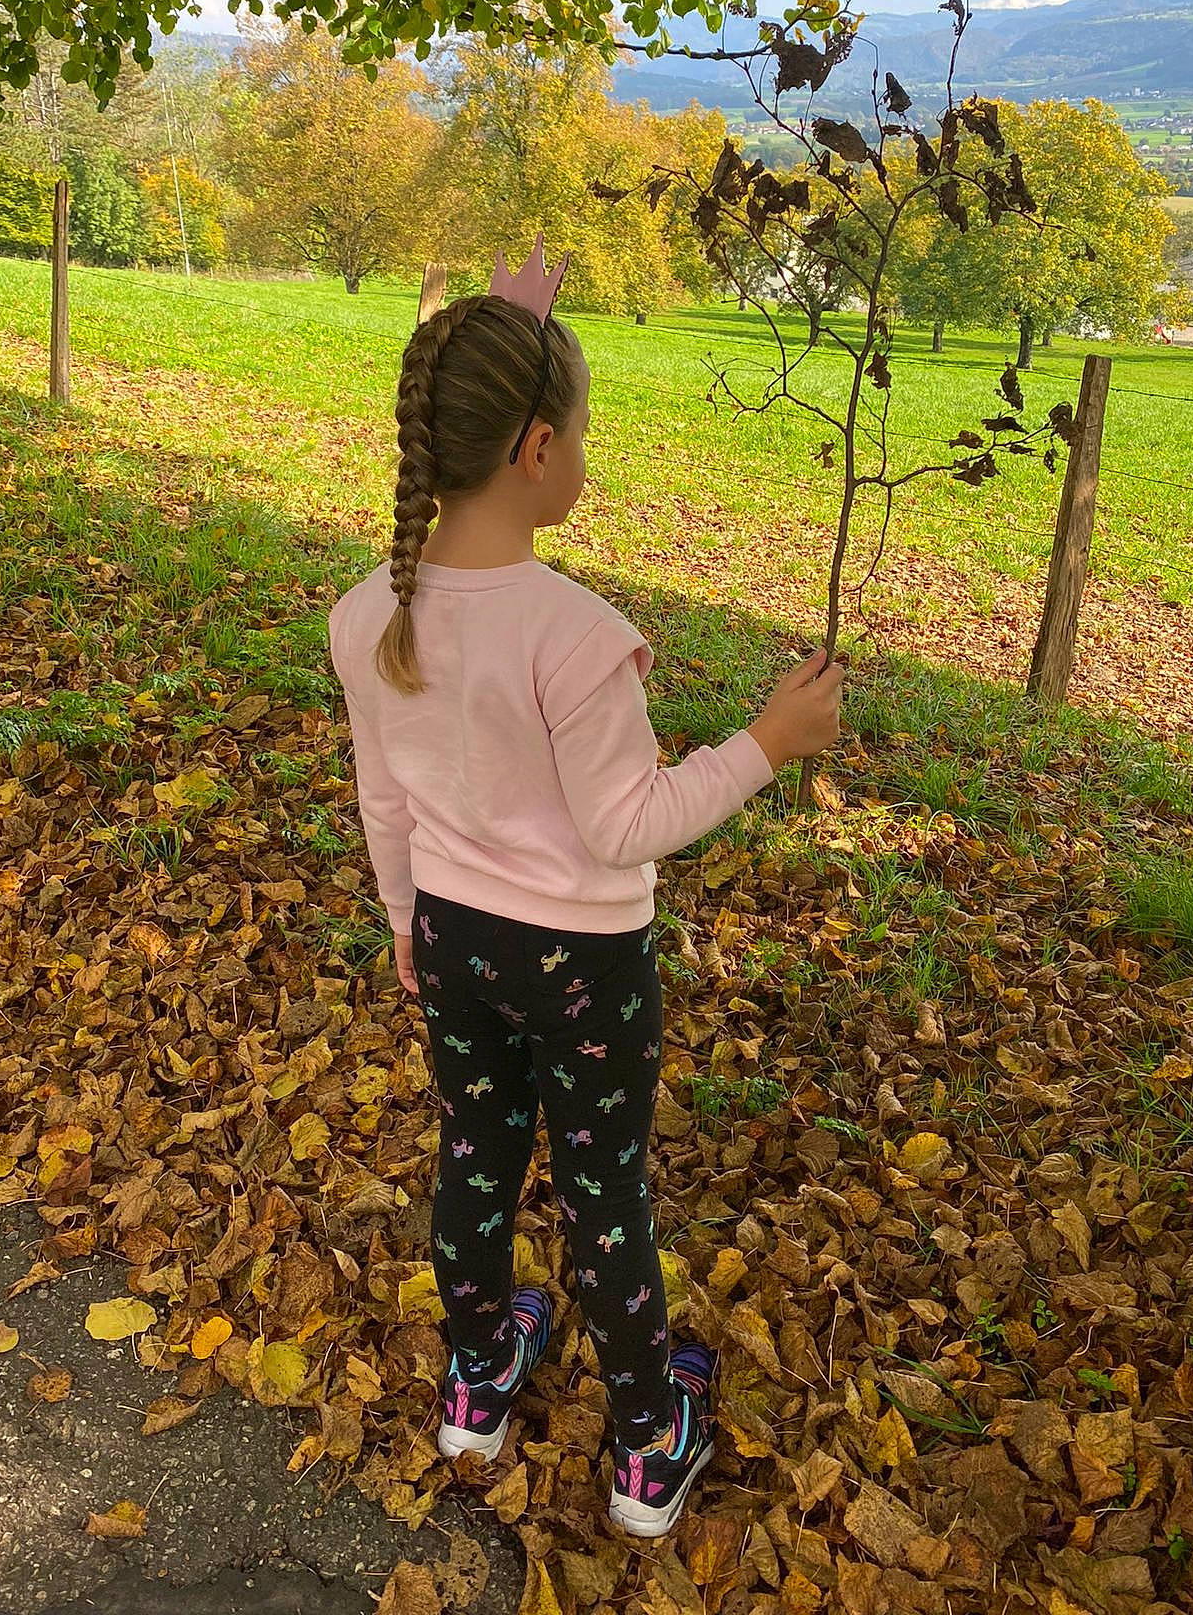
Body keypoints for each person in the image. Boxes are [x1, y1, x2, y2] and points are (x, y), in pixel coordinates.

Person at [328, 243, 843, 1539]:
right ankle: (649, 1441)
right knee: (603, 1191)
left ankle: (477, 1379)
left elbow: (385, 804)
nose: (586, 457)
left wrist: (403, 924)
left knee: (476, 1156)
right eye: (583, 435)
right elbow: (627, 829)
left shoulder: (366, 613)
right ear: (538, 449)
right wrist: (767, 743)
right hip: (583, 967)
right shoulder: (577, 635)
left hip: (451, 940)